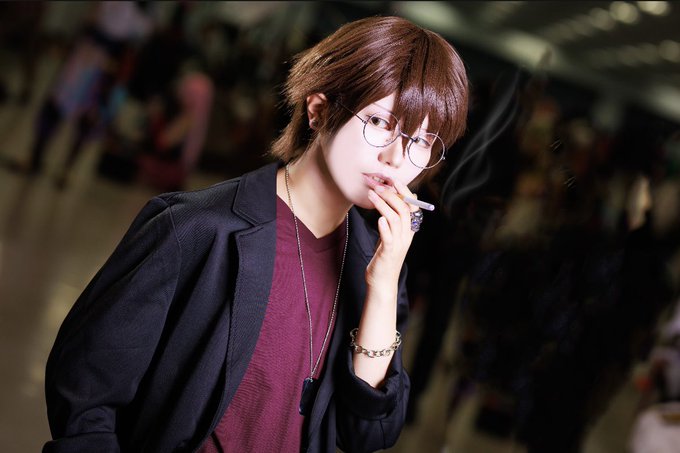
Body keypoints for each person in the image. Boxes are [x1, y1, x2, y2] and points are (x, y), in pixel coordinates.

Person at [43, 15, 469, 453]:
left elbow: (368, 434)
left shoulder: (376, 266)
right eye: (380, 122)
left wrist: (383, 287)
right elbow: (84, 400)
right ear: (319, 109)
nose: (398, 158)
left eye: (422, 141)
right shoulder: (194, 228)